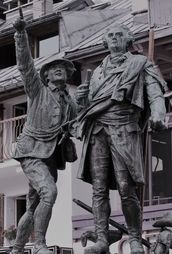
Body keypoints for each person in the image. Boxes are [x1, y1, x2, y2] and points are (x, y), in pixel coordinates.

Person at [71, 24, 166, 254]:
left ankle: (134, 238)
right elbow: (91, 107)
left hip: (124, 129)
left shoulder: (140, 64)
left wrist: (158, 114)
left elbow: (155, 93)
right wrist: (82, 100)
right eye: (110, 36)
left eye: (119, 35)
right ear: (105, 41)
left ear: (128, 40)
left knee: (126, 187)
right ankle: (102, 239)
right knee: (99, 189)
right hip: (97, 132)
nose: (114, 39)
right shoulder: (97, 72)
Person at [11, 17, 77, 254]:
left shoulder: (70, 101)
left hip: (51, 156)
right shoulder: (37, 90)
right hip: (31, 150)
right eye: (54, 68)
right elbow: (25, 65)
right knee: (49, 192)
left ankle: (17, 248)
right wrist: (20, 34)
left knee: (33, 204)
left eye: (64, 68)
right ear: (46, 75)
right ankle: (39, 244)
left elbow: (78, 123)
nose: (60, 70)